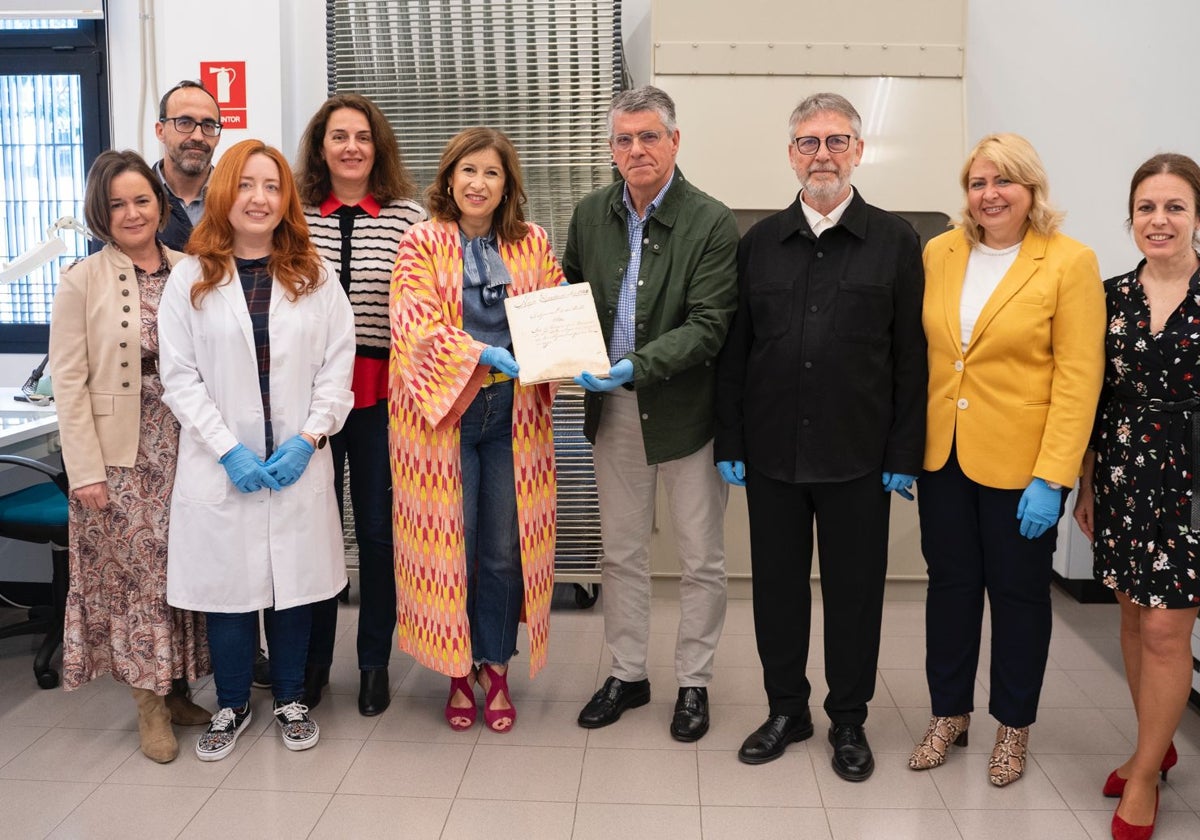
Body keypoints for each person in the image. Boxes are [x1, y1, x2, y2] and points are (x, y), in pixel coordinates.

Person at [714, 93, 926, 778]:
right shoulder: (759, 244)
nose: (823, 154)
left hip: (860, 458)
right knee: (776, 590)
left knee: (854, 596)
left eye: (837, 141)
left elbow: (910, 361)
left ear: (859, 152)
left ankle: (849, 721)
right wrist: (732, 443)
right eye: (808, 142)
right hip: (772, 454)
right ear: (790, 155)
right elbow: (735, 353)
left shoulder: (896, 243)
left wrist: (903, 452)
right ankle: (787, 709)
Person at [913, 133, 1104, 786]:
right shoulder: (939, 253)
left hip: (1024, 469)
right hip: (944, 459)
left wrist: (1055, 475)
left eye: (1003, 182)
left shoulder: (1067, 262)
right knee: (951, 590)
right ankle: (949, 714)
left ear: (1031, 189)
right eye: (977, 183)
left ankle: (1013, 728)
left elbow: (1080, 377)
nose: (989, 195)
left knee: (1019, 597)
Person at [158, 139, 355, 761]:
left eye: (272, 186)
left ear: (286, 199)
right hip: (223, 464)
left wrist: (308, 437)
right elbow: (180, 378)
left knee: (295, 583)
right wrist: (226, 450)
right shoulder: (189, 276)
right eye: (246, 184)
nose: (259, 198)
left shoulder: (316, 273)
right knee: (230, 589)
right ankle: (233, 703)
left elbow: (337, 369)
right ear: (225, 193)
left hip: (296, 457)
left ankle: (293, 696)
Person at [565, 85, 738, 742]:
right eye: (624, 139)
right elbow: (570, 295)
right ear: (612, 149)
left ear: (674, 141)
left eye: (649, 136)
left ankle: (694, 682)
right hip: (613, 414)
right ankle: (628, 673)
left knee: (701, 558)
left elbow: (709, 324)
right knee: (621, 554)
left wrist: (635, 365)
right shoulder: (590, 215)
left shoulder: (711, 221)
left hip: (687, 413)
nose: (636, 149)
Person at [389, 126, 561, 733]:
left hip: (514, 416)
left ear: (507, 183)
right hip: (444, 418)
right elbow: (413, 326)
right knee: (449, 546)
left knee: (500, 551)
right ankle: (457, 669)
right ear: (449, 178)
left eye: (491, 172)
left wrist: (574, 352)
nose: (478, 183)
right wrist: (482, 355)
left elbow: (554, 311)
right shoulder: (422, 243)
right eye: (467, 171)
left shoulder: (533, 243)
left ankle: (496, 662)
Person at [49, 150, 212, 764]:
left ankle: (175, 691)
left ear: (160, 202)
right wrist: (84, 470)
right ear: (101, 213)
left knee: (182, 572)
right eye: (117, 203)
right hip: (119, 456)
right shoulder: (81, 280)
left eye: (141, 199)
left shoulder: (192, 268)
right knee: (139, 578)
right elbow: (67, 380)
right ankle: (149, 707)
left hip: (189, 443)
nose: (132, 212)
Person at [1073, 153, 1200, 838]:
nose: (1160, 220)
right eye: (1147, 208)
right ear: (1132, 218)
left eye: (1174, 206)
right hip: (1123, 474)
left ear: (1196, 217)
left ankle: (1145, 775)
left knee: (1164, 627)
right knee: (1130, 616)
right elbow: (1095, 395)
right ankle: (1157, 739)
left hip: (1193, 481)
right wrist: (1088, 482)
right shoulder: (1110, 295)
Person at [295, 93, 426, 715]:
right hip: (310, 402)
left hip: (382, 401)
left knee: (376, 534)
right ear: (321, 146)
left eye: (363, 137)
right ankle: (313, 664)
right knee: (314, 533)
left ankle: (374, 661)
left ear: (379, 147)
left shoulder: (408, 218)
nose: (351, 147)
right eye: (339, 136)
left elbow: (429, 306)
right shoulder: (293, 215)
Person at [154, 80, 223, 252]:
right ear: (160, 131)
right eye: (185, 123)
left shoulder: (236, 197)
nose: (198, 136)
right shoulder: (134, 198)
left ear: (218, 137)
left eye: (208, 126)